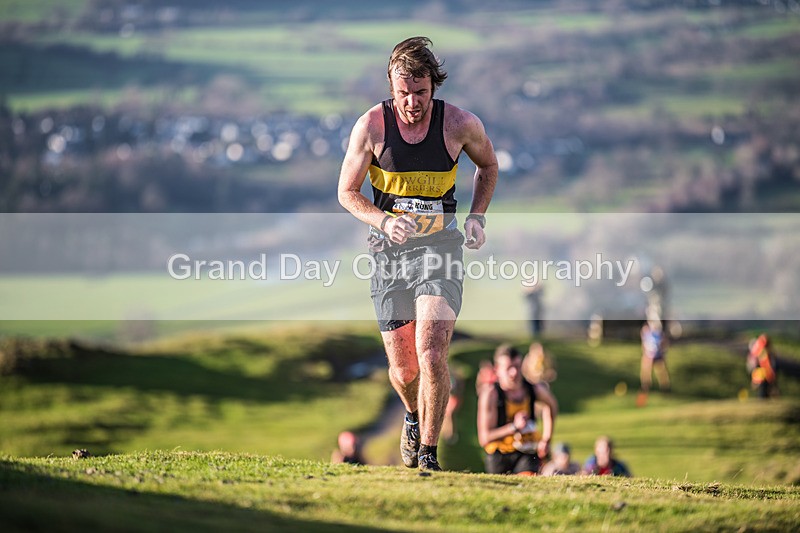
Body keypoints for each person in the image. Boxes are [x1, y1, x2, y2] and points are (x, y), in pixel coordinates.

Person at [338, 37, 498, 472]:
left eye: (421, 92)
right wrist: (384, 221)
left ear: (434, 86)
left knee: (431, 353)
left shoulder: (460, 125)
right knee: (405, 369)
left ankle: (428, 454)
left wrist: (476, 215)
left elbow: (489, 165)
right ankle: (412, 414)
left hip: (440, 249)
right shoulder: (371, 127)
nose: (412, 102)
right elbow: (346, 193)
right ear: (391, 87)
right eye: (403, 92)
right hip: (388, 255)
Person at [477, 344, 558, 475]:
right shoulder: (491, 394)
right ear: (497, 369)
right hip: (499, 454)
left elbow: (552, 405)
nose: (514, 373)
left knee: (528, 482)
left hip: (527, 450)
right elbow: (484, 438)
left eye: (517, 367)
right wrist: (514, 427)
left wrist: (546, 439)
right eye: (509, 368)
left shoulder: (533, 389)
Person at [637, 317, 671, 407]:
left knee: (663, 378)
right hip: (648, 357)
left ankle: (666, 397)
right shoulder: (646, 332)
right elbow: (644, 344)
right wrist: (646, 354)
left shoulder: (660, 334)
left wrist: (662, 350)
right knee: (645, 381)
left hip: (658, 357)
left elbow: (665, 344)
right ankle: (641, 401)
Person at [747, 334, 779, 399]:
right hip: (762, 375)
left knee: (764, 391)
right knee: (763, 391)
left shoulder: (759, 351)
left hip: (764, 375)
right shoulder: (761, 352)